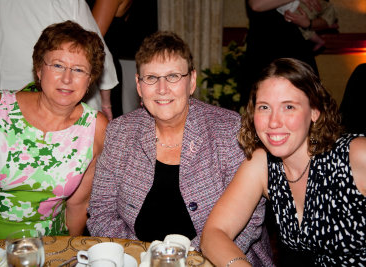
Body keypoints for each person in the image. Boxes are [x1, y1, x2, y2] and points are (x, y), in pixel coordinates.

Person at [86, 31, 274, 266]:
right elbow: (101, 211)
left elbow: (251, 219)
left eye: (173, 76)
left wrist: (185, 261)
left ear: (191, 81)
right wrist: (143, 257)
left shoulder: (228, 129)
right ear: (139, 86)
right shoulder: (120, 132)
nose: (162, 88)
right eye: (151, 78)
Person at [201, 58, 366, 266]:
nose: (274, 122)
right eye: (264, 107)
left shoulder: (356, 155)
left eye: (288, 106)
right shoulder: (263, 165)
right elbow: (214, 233)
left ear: (315, 111)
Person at [0, 21, 108, 239]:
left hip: (47, 246)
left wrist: (67, 253)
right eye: (58, 65)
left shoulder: (96, 127)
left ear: (89, 80)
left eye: (79, 70)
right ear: (39, 69)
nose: (67, 79)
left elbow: (79, 205)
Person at [0, 0, 117, 120]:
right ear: (38, 69)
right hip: (75, 104)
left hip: (5, 104)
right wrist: (106, 103)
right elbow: (94, 47)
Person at [240, 0, 320, 106]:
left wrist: (309, 23)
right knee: (260, 102)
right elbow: (256, 5)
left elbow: (328, 18)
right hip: (264, 49)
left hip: (297, 49)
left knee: (306, 102)